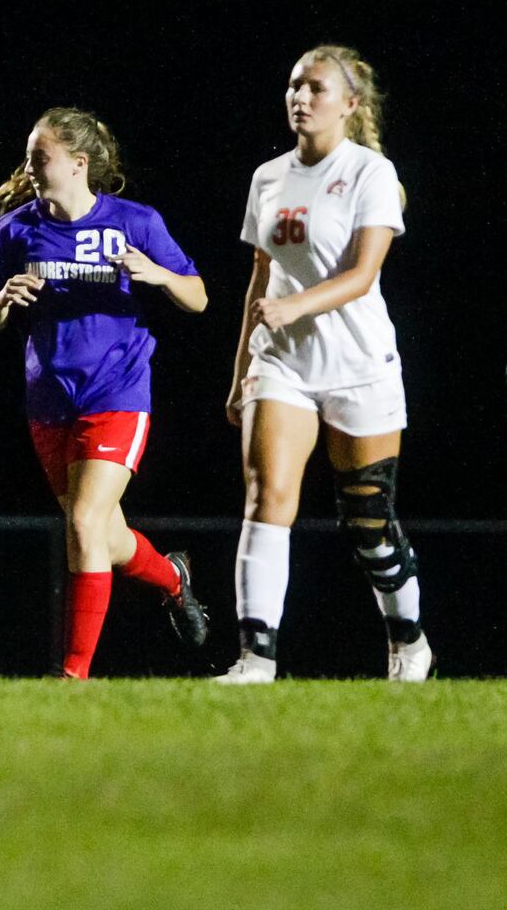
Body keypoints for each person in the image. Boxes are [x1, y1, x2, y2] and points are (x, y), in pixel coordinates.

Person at [0, 107, 209, 679]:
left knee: (81, 525)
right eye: (30, 154)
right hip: (49, 401)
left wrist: (159, 275)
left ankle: (72, 676)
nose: (30, 164)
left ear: (78, 164)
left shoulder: (135, 221)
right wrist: (3, 299)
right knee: (105, 534)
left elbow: (197, 297)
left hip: (118, 393)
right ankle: (174, 579)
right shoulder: (15, 230)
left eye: (40, 155)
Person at [219, 45, 429, 683]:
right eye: (294, 87)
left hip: (359, 363)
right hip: (281, 363)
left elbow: (363, 276)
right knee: (268, 498)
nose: (300, 98)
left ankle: (410, 643)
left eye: (315, 88)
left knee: (368, 513)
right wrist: (239, 378)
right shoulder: (268, 177)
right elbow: (261, 280)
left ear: (350, 104)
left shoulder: (370, 173)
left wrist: (295, 307)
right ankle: (256, 658)